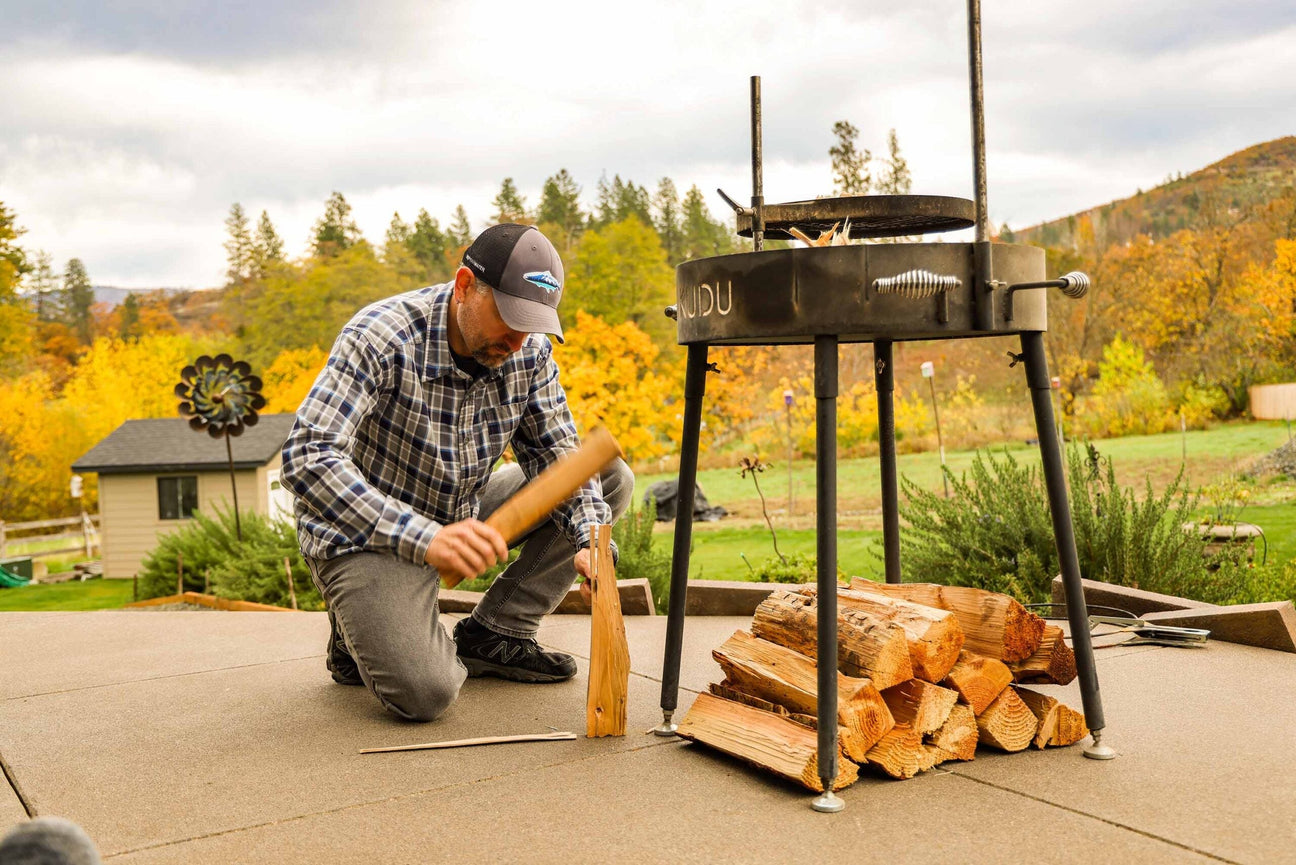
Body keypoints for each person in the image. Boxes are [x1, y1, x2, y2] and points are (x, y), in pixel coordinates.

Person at [282, 223, 633, 722]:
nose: (517, 340)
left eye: (532, 322)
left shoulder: (528, 352)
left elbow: (558, 454)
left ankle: (498, 632)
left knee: (609, 479)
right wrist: (424, 538)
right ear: (465, 285)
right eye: (509, 317)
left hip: (461, 508)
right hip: (366, 535)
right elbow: (307, 458)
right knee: (426, 694)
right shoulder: (379, 336)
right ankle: (355, 629)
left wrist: (591, 543)